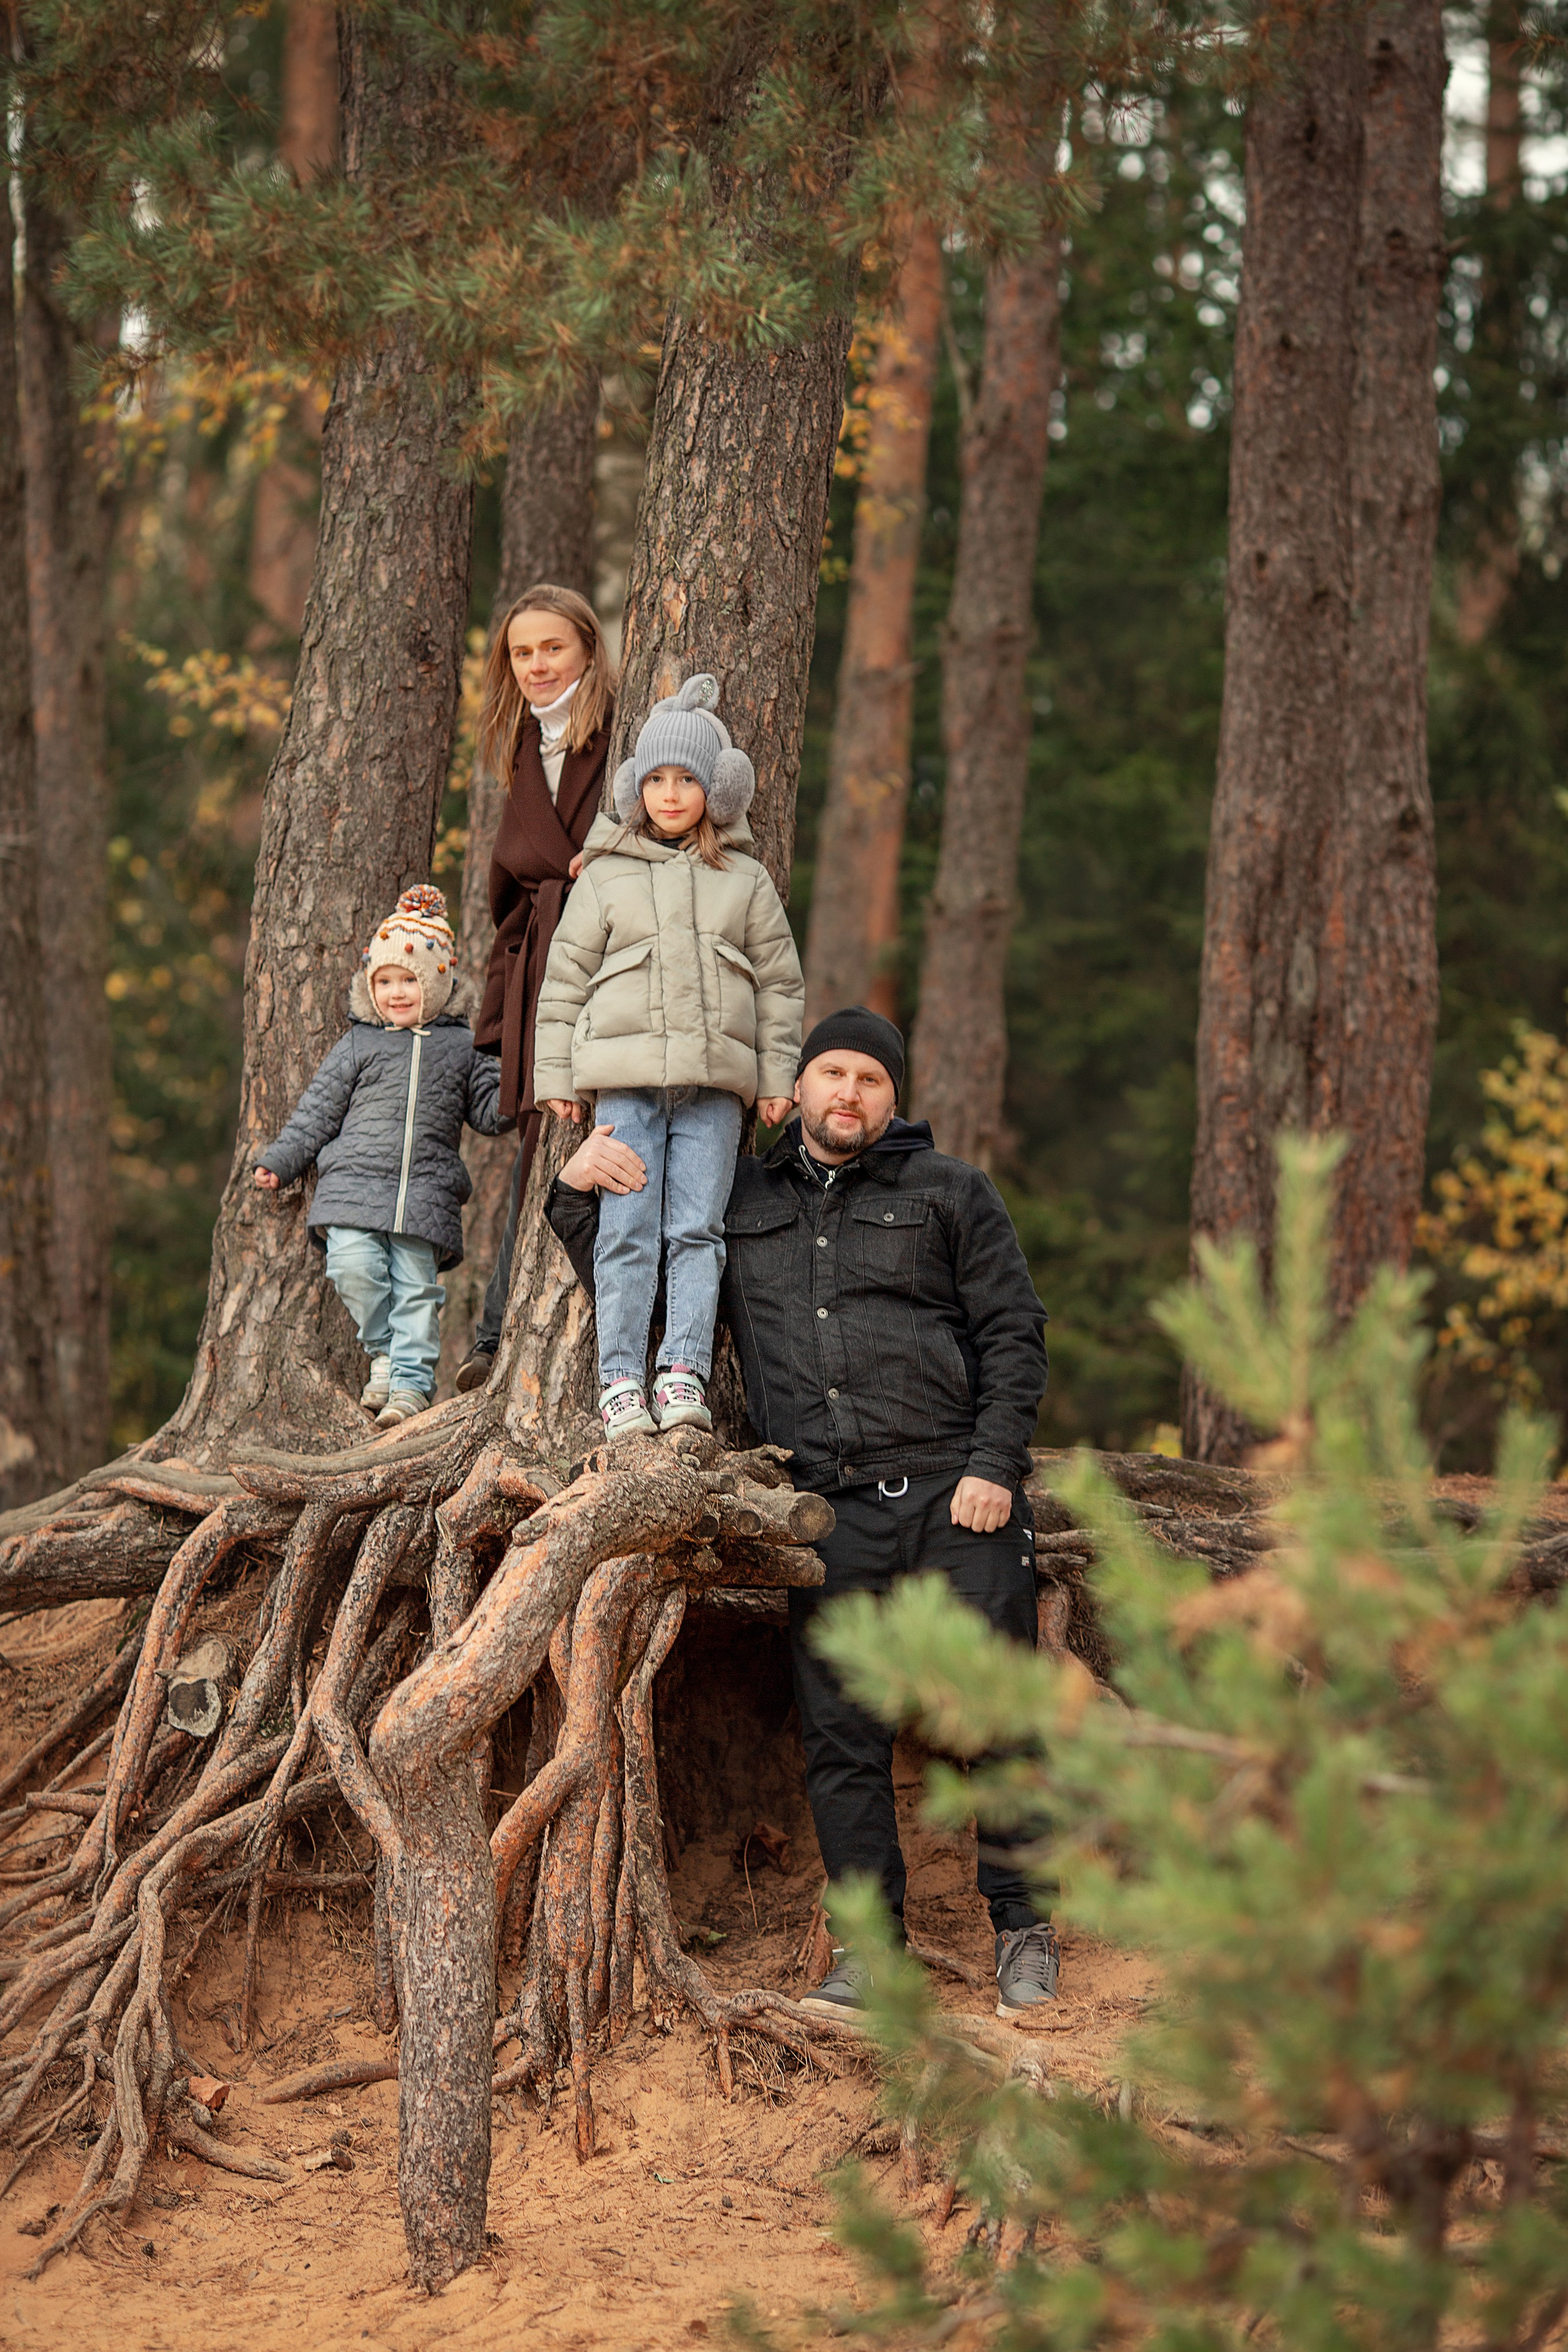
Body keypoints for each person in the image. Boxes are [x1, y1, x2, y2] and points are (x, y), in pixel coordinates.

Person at [543, 1006, 1058, 2020]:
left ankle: (1025, 1930)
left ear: (893, 1097)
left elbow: (1015, 1333)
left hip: (961, 1493)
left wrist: (996, 1464)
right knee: (843, 1735)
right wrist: (572, 1196)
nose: (849, 1094)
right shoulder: (736, 1197)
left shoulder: (951, 1192)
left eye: (871, 1078)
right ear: (800, 1089)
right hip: (828, 1513)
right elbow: (643, 1281)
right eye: (832, 1073)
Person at [533, 673, 804, 1438]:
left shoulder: (744, 881)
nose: (671, 794)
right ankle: (619, 1377)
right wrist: (554, 1072)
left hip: (716, 1092)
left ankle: (681, 1370)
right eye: (656, 780)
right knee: (626, 1229)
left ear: (717, 790)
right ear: (636, 789)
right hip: (625, 1089)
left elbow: (781, 986)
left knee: (696, 1230)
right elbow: (565, 980)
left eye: (687, 779)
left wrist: (776, 1077)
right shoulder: (608, 877)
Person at [255, 886, 510, 1426]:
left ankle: (411, 1390)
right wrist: (282, 1160)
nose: (396, 993)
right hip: (352, 1189)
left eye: (410, 981)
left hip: (426, 1194)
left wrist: (518, 1088)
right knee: (352, 1267)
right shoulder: (359, 1045)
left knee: (418, 1292)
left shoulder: (464, 1047)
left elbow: (490, 1114)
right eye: (385, 982)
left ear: (439, 981)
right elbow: (317, 1111)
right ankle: (385, 1353)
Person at [453, 583, 617, 1395]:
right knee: (539, 1159)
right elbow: (506, 907)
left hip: (608, 973)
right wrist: (493, 1029)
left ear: (588, 647)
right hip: (535, 973)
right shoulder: (522, 747)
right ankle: (497, 1337)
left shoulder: (613, 741)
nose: (538, 665)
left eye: (553, 647)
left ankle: (608, 1351)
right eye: (522, 652)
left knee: (606, 1156)